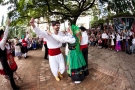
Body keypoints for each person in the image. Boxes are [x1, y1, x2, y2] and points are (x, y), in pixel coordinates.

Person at [0, 20, 20, 90]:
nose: (3, 36)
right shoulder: (1, 43)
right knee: (11, 74)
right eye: (2, 35)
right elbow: (6, 35)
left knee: (9, 74)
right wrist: (8, 25)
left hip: (2, 61)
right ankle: (14, 88)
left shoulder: (1, 43)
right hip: (4, 61)